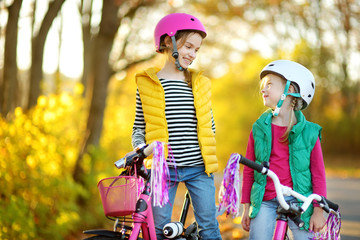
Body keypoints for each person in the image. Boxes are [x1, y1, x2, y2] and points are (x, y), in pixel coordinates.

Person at [131, 13, 222, 240]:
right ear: (166, 42)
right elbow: (138, 127)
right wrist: (141, 148)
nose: (192, 54)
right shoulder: (148, 83)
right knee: (159, 231)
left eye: (196, 50)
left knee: (209, 227)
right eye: (188, 47)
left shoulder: (199, 83)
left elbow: (209, 124)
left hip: (198, 167)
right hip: (163, 170)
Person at [240, 60, 327, 239]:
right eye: (264, 86)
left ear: (291, 90)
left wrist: (318, 210)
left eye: (270, 85)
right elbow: (250, 169)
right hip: (265, 200)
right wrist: (246, 207)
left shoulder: (309, 132)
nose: (263, 90)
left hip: (300, 201)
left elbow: (318, 174)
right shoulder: (259, 128)